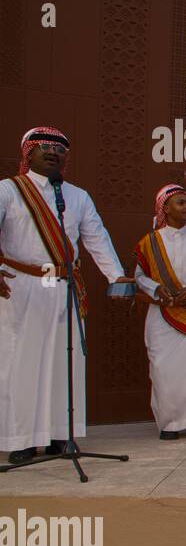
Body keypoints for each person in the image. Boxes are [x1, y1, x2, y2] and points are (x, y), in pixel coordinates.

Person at [0, 127, 132, 464]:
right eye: (44, 146)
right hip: (22, 285)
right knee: (23, 362)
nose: (53, 152)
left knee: (65, 361)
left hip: (65, 287)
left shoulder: (76, 196)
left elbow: (97, 238)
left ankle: (61, 434)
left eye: (60, 148)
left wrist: (116, 276)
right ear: (27, 153)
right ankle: (22, 440)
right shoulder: (8, 191)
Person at [134, 184, 186, 440]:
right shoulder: (150, 242)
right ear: (165, 208)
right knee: (163, 369)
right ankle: (169, 423)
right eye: (181, 203)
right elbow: (139, 276)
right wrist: (156, 288)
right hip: (163, 314)